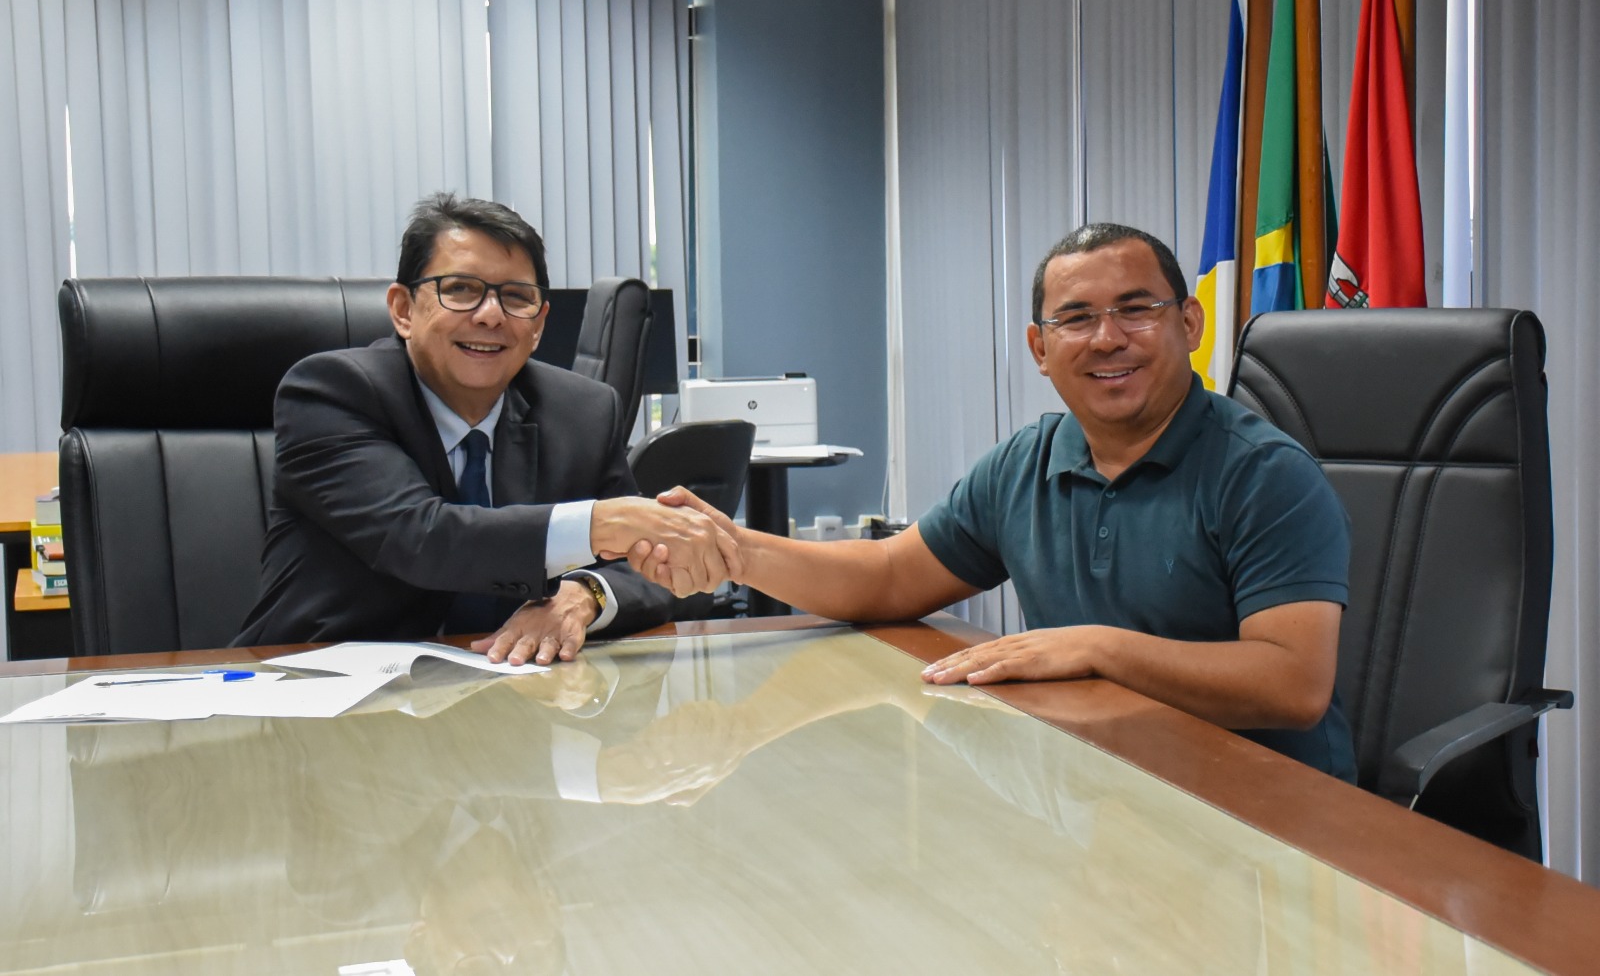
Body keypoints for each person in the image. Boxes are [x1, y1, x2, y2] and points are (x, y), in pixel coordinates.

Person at [639, 222, 1356, 779]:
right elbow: (889, 577)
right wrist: (737, 547)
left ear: (1190, 325)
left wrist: (1098, 648)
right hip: (1109, 787)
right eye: (1076, 319)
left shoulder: (1264, 474)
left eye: (1136, 310)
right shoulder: (1027, 462)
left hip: (1265, 808)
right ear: (1040, 349)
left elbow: (1291, 684)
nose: (1108, 338)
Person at [235, 192, 737, 664]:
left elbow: (647, 569)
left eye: (516, 298)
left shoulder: (582, 410)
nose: (491, 315)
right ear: (404, 310)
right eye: (460, 291)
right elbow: (419, 536)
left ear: (538, 324)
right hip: (319, 693)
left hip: (504, 696)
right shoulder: (331, 391)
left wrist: (585, 595)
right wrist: (599, 524)